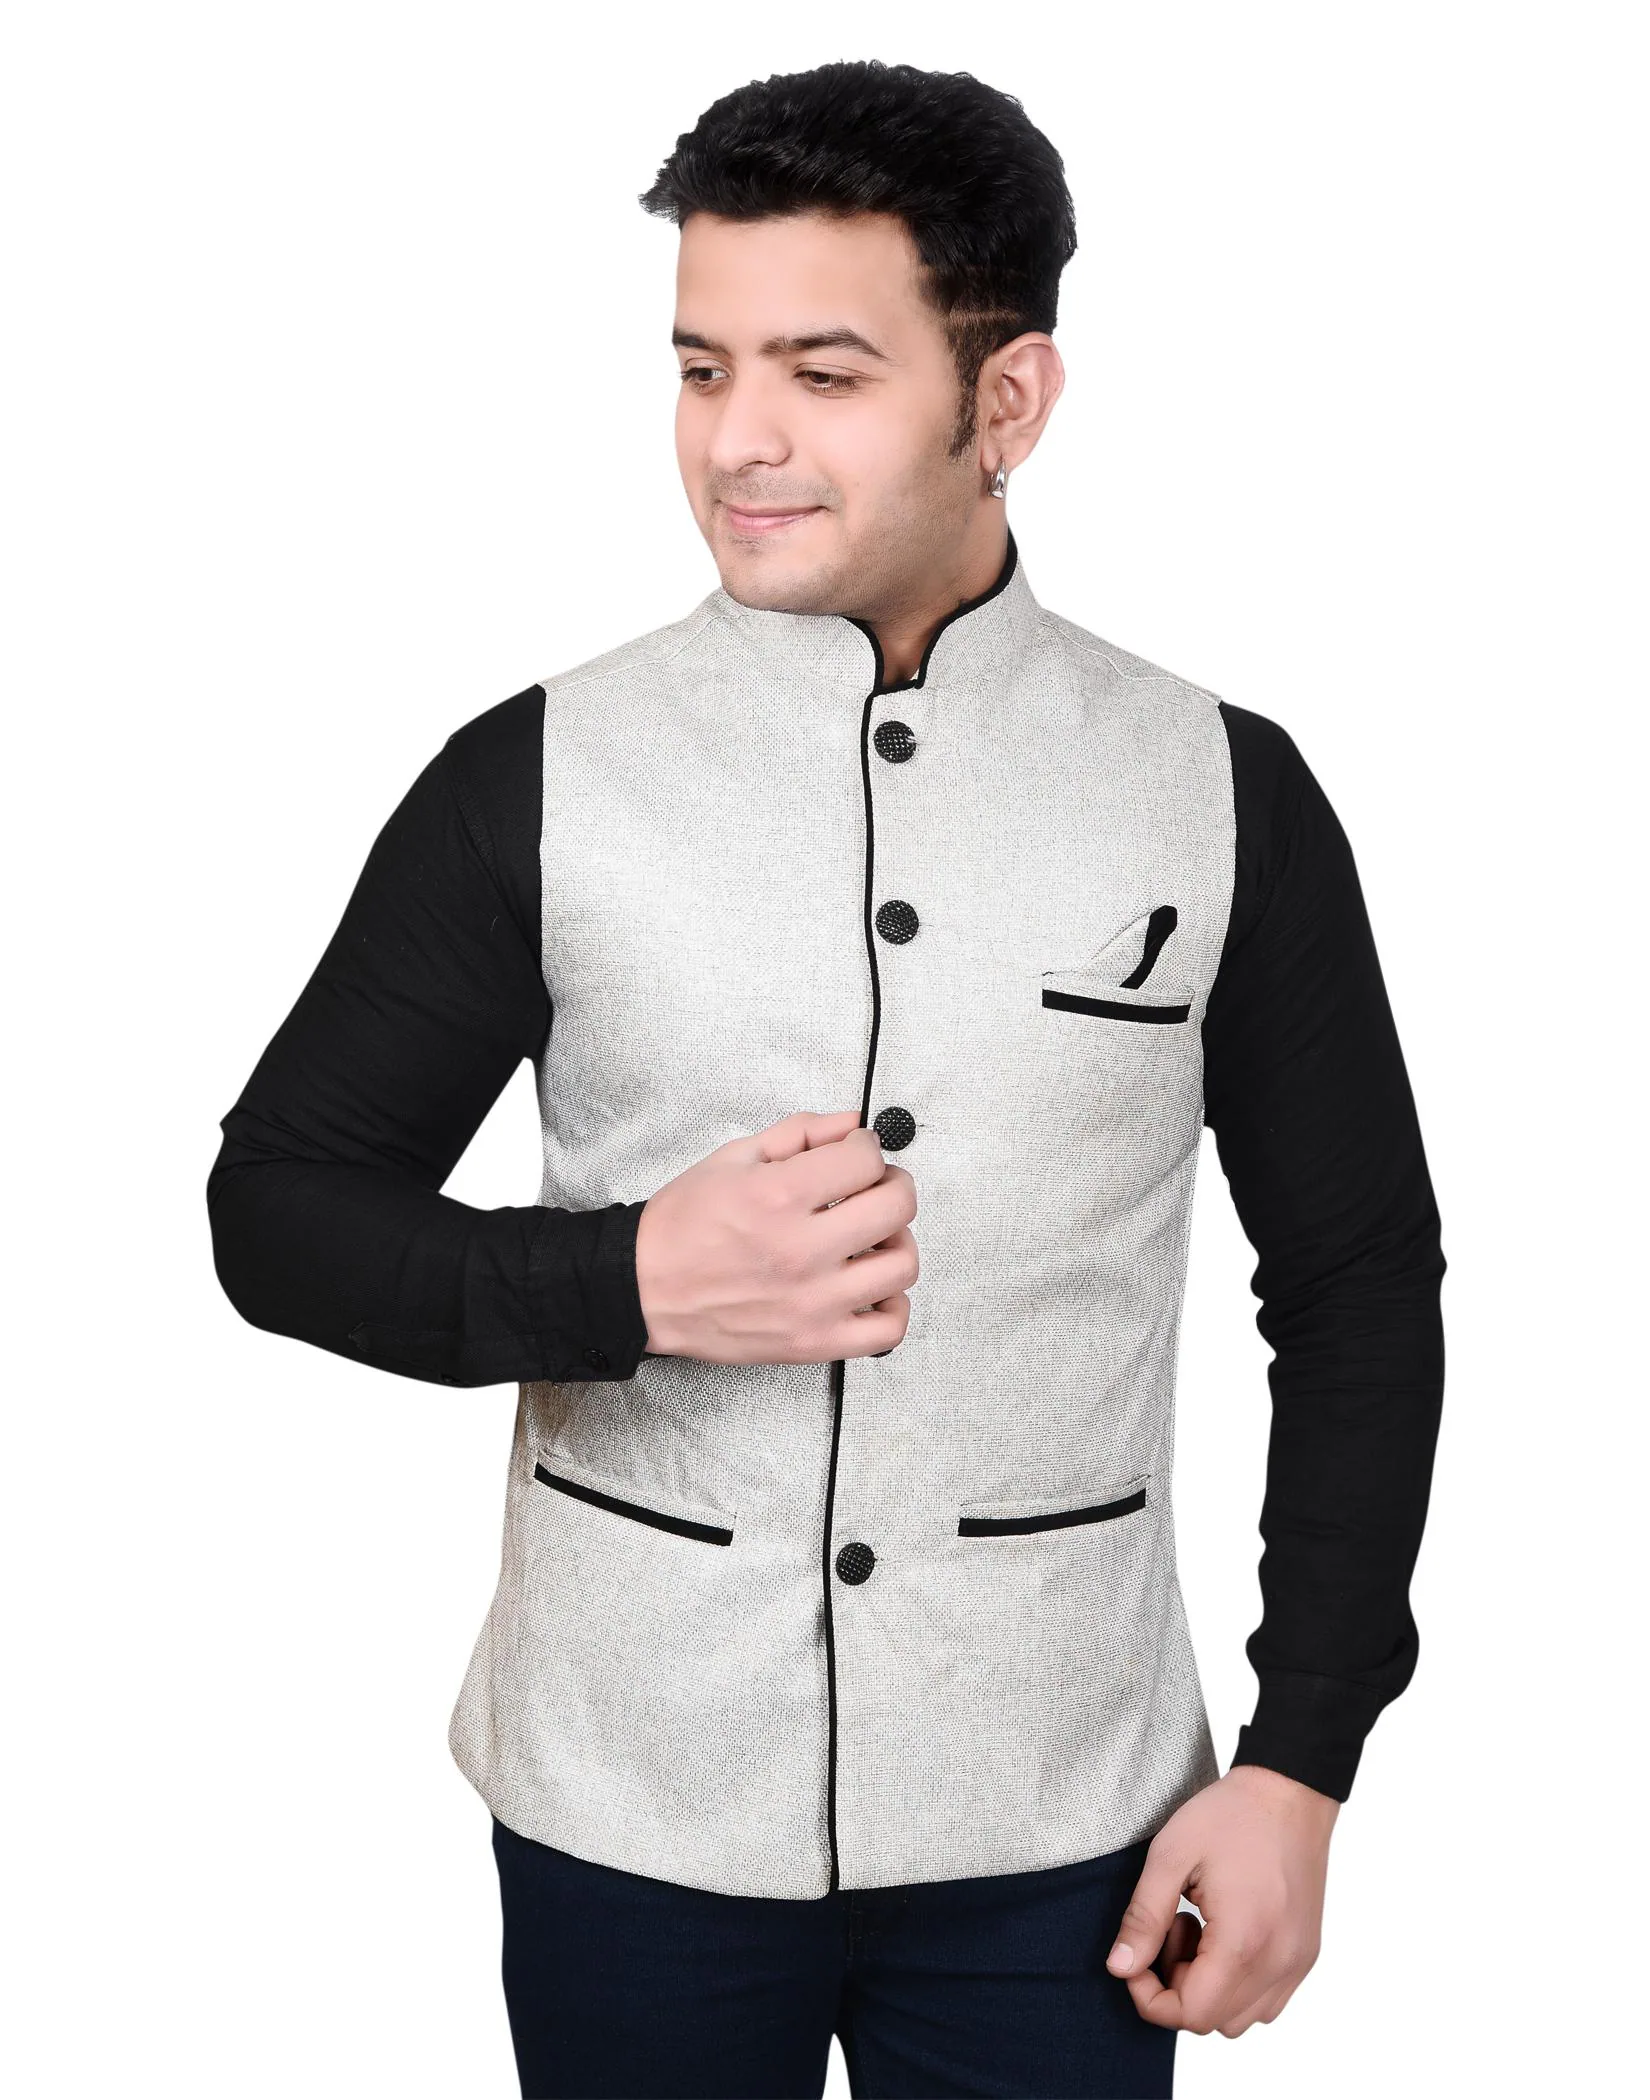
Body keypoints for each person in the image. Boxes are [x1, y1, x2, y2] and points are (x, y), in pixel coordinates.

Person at [206, 57, 1447, 2100]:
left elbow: (1357, 1285)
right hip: (629, 1804)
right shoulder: (537, 774)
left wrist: (1303, 1756)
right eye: (702, 368)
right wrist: (622, 1282)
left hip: (1068, 1824)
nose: (738, 439)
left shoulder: (1222, 793)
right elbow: (278, 1214)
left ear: (1007, 401)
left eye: (824, 372)